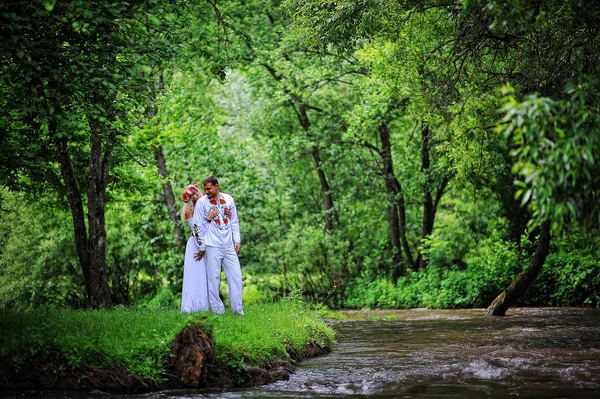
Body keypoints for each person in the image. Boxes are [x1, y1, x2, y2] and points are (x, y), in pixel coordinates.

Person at [192, 176, 244, 315]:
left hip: (228, 245)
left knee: (236, 277)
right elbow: (196, 226)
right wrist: (202, 246)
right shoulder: (202, 203)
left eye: (209, 189)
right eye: (205, 189)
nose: (206, 192)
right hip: (212, 245)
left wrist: (236, 240)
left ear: (216, 186)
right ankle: (218, 311)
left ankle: (238, 311)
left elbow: (234, 221)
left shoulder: (228, 199)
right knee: (213, 279)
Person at [179, 183, 209, 313]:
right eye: (193, 194)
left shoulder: (205, 205)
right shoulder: (189, 211)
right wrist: (201, 248)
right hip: (196, 245)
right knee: (196, 274)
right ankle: (192, 306)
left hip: (207, 242)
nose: (197, 195)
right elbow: (197, 229)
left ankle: (205, 305)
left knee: (206, 274)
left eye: (197, 192)